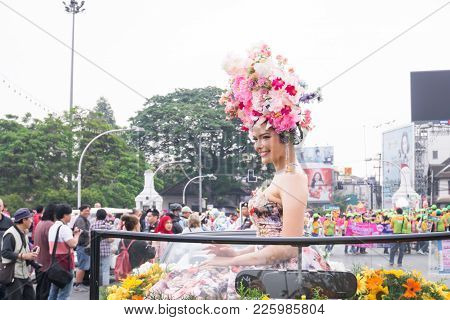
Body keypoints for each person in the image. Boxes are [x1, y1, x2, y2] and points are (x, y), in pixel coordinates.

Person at [149, 44, 327, 299]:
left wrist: (234, 262)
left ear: (285, 134)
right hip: (269, 267)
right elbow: (268, 241)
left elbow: (287, 248)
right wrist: (234, 254)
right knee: (179, 281)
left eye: (265, 137)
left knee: (188, 288)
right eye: (255, 139)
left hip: (283, 274)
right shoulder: (281, 175)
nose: (258, 145)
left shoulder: (292, 176)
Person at [1, 208, 40, 300]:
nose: (32, 220)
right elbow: (5, 253)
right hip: (13, 275)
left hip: (25, 274)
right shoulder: (10, 234)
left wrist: (31, 254)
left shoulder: (23, 233)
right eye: (30, 218)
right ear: (24, 220)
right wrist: (23, 256)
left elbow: (23, 253)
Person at [48, 204, 81, 300]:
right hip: (65, 264)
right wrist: (77, 235)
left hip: (55, 264)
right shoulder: (64, 228)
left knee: (53, 292)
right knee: (64, 294)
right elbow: (73, 244)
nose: (71, 217)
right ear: (64, 215)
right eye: (70, 214)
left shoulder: (53, 227)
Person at [33, 203, 56, 300]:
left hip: (38, 262)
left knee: (40, 291)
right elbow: (54, 245)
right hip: (46, 264)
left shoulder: (40, 223)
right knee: (45, 293)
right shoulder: (50, 225)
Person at [90, 209, 113, 286]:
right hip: (106, 250)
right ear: (105, 216)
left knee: (96, 269)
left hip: (95, 250)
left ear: (96, 216)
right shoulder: (108, 226)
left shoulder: (92, 225)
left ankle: (96, 285)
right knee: (105, 270)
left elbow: (89, 238)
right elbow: (111, 240)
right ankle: (105, 286)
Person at [73, 204, 91, 292]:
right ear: (81, 211)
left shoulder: (84, 219)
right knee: (82, 266)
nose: (88, 212)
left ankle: (80, 284)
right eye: (86, 210)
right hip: (82, 246)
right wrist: (92, 232)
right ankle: (77, 285)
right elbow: (82, 231)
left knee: (83, 266)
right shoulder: (80, 220)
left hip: (84, 246)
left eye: (88, 210)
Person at [0, 198, 13, 300]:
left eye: (0, 206)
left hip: (4, 259)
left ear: (3, 207)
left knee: (4, 287)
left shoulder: (9, 222)